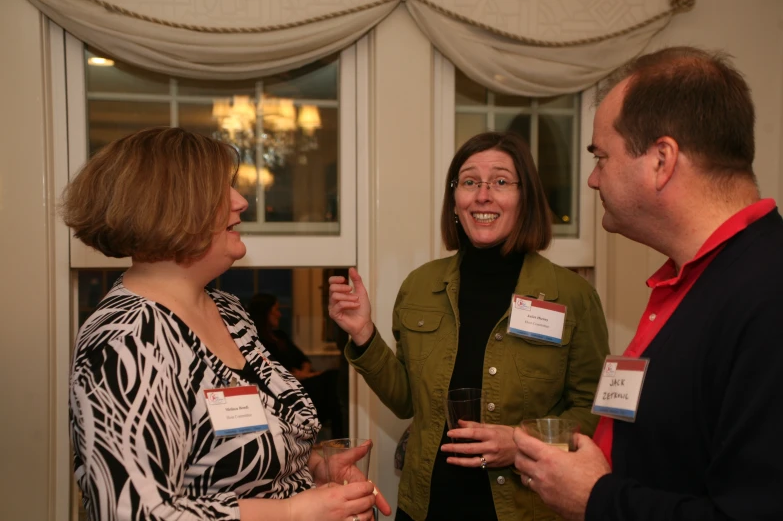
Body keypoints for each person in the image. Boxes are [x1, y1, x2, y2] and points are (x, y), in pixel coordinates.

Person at [62, 127, 390, 521]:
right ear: (170, 208)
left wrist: (313, 467)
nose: (241, 202)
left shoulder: (227, 311)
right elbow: (132, 514)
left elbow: (234, 449)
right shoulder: (125, 342)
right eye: (220, 190)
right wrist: (291, 513)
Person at [512, 46, 783, 521]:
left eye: (602, 157)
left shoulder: (767, 296)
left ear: (662, 160)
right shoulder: (695, 278)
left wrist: (596, 498)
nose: (593, 180)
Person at [328, 131, 610, 521]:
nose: (483, 195)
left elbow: (592, 409)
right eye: (470, 181)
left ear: (524, 197)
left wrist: (520, 443)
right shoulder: (420, 286)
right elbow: (407, 400)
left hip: (526, 506)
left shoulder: (572, 296)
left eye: (500, 181)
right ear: (455, 198)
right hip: (428, 505)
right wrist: (363, 334)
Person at [248, 292, 345, 438]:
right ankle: (336, 436)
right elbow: (271, 373)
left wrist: (305, 374)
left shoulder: (280, 335)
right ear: (265, 313)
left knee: (333, 383)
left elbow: (304, 360)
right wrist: (299, 376)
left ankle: (334, 434)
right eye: (276, 310)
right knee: (331, 383)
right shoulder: (257, 342)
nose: (279, 314)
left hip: (303, 381)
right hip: (286, 390)